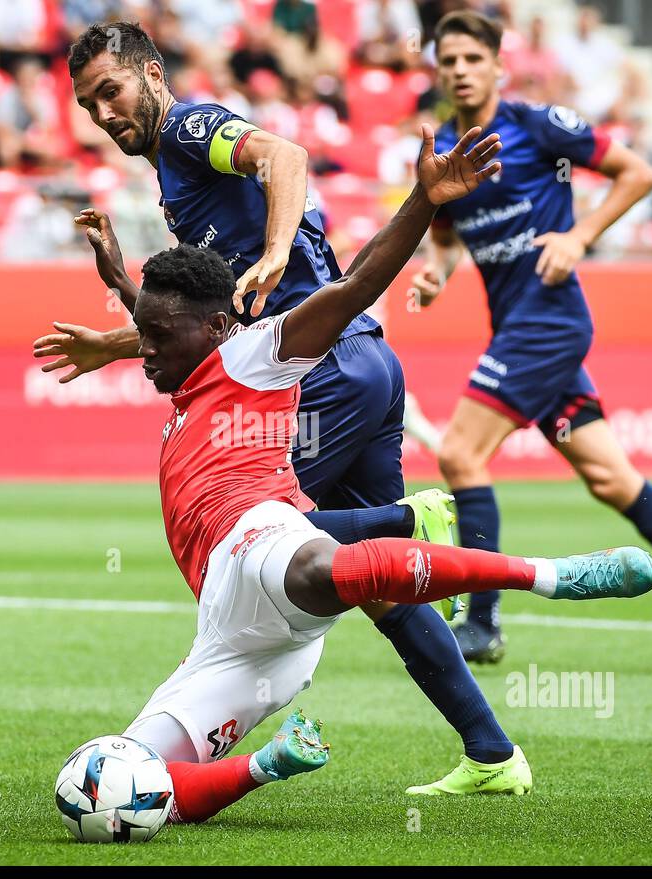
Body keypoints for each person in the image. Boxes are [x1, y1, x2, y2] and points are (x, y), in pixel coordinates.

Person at [47, 132, 652, 821]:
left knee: (313, 565)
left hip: (254, 542)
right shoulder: (188, 360)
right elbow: (168, 321)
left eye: (154, 338)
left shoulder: (255, 355)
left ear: (219, 326)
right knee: (135, 783)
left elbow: (357, 283)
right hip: (239, 639)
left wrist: (425, 200)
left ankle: (544, 574)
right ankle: (279, 757)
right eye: (143, 334)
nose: (143, 351)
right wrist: (119, 276)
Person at [39, 21, 554, 780]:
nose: (103, 112)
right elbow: (213, 325)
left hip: (320, 372)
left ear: (151, 73)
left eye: (111, 90)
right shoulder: (175, 176)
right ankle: (492, 753)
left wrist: (278, 250)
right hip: (359, 361)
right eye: (88, 104)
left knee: (263, 535)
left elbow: (286, 157)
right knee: (372, 586)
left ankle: (410, 520)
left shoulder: (186, 129)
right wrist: (117, 334)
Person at [409, 11, 652, 672]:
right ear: (438, 69)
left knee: (460, 453)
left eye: (471, 59)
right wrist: (438, 275)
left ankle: (482, 623)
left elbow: (637, 174)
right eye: (448, 60)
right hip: (521, 330)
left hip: (548, 321)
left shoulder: (535, 126)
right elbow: (449, 232)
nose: (460, 70)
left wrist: (579, 237)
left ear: (496, 65)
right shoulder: (443, 156)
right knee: (610, 478)